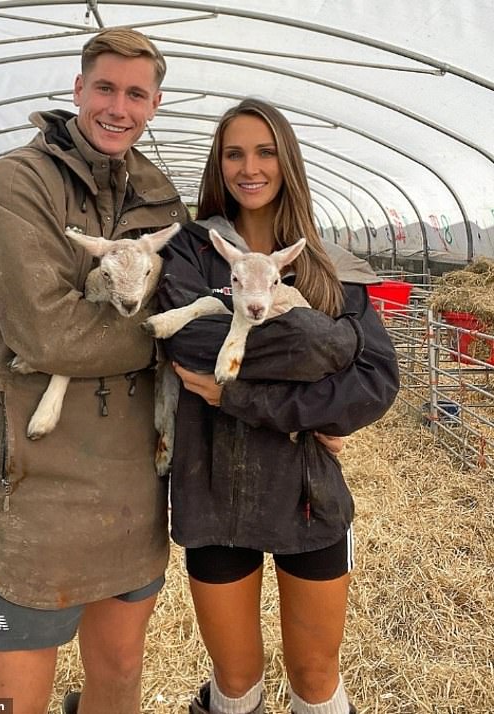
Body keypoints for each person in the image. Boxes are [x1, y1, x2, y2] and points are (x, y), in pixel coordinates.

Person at [0, 28, 189, 714]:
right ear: (77, 91)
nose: (118, 107)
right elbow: (48, 331)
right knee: (13, 696)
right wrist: (159, 337)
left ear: (154, 105)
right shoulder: (14, 183)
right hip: (34, 481)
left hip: (132, 484)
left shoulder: (160, 198)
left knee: (119, 671)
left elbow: (195, 307)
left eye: (135, 94)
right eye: (105, 88)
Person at [156, 98, 400, 714]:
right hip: (211, 486)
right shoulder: (192, 251)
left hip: (308, 488)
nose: (250, 167)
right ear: (219, 164)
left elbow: (375, 379)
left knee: (316, 677)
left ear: (287, 161)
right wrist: (326, 345)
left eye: (265, 152)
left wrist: (240, 393)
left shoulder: (326, 263)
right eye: (234, 153)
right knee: (236, 681)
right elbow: (190, 341)